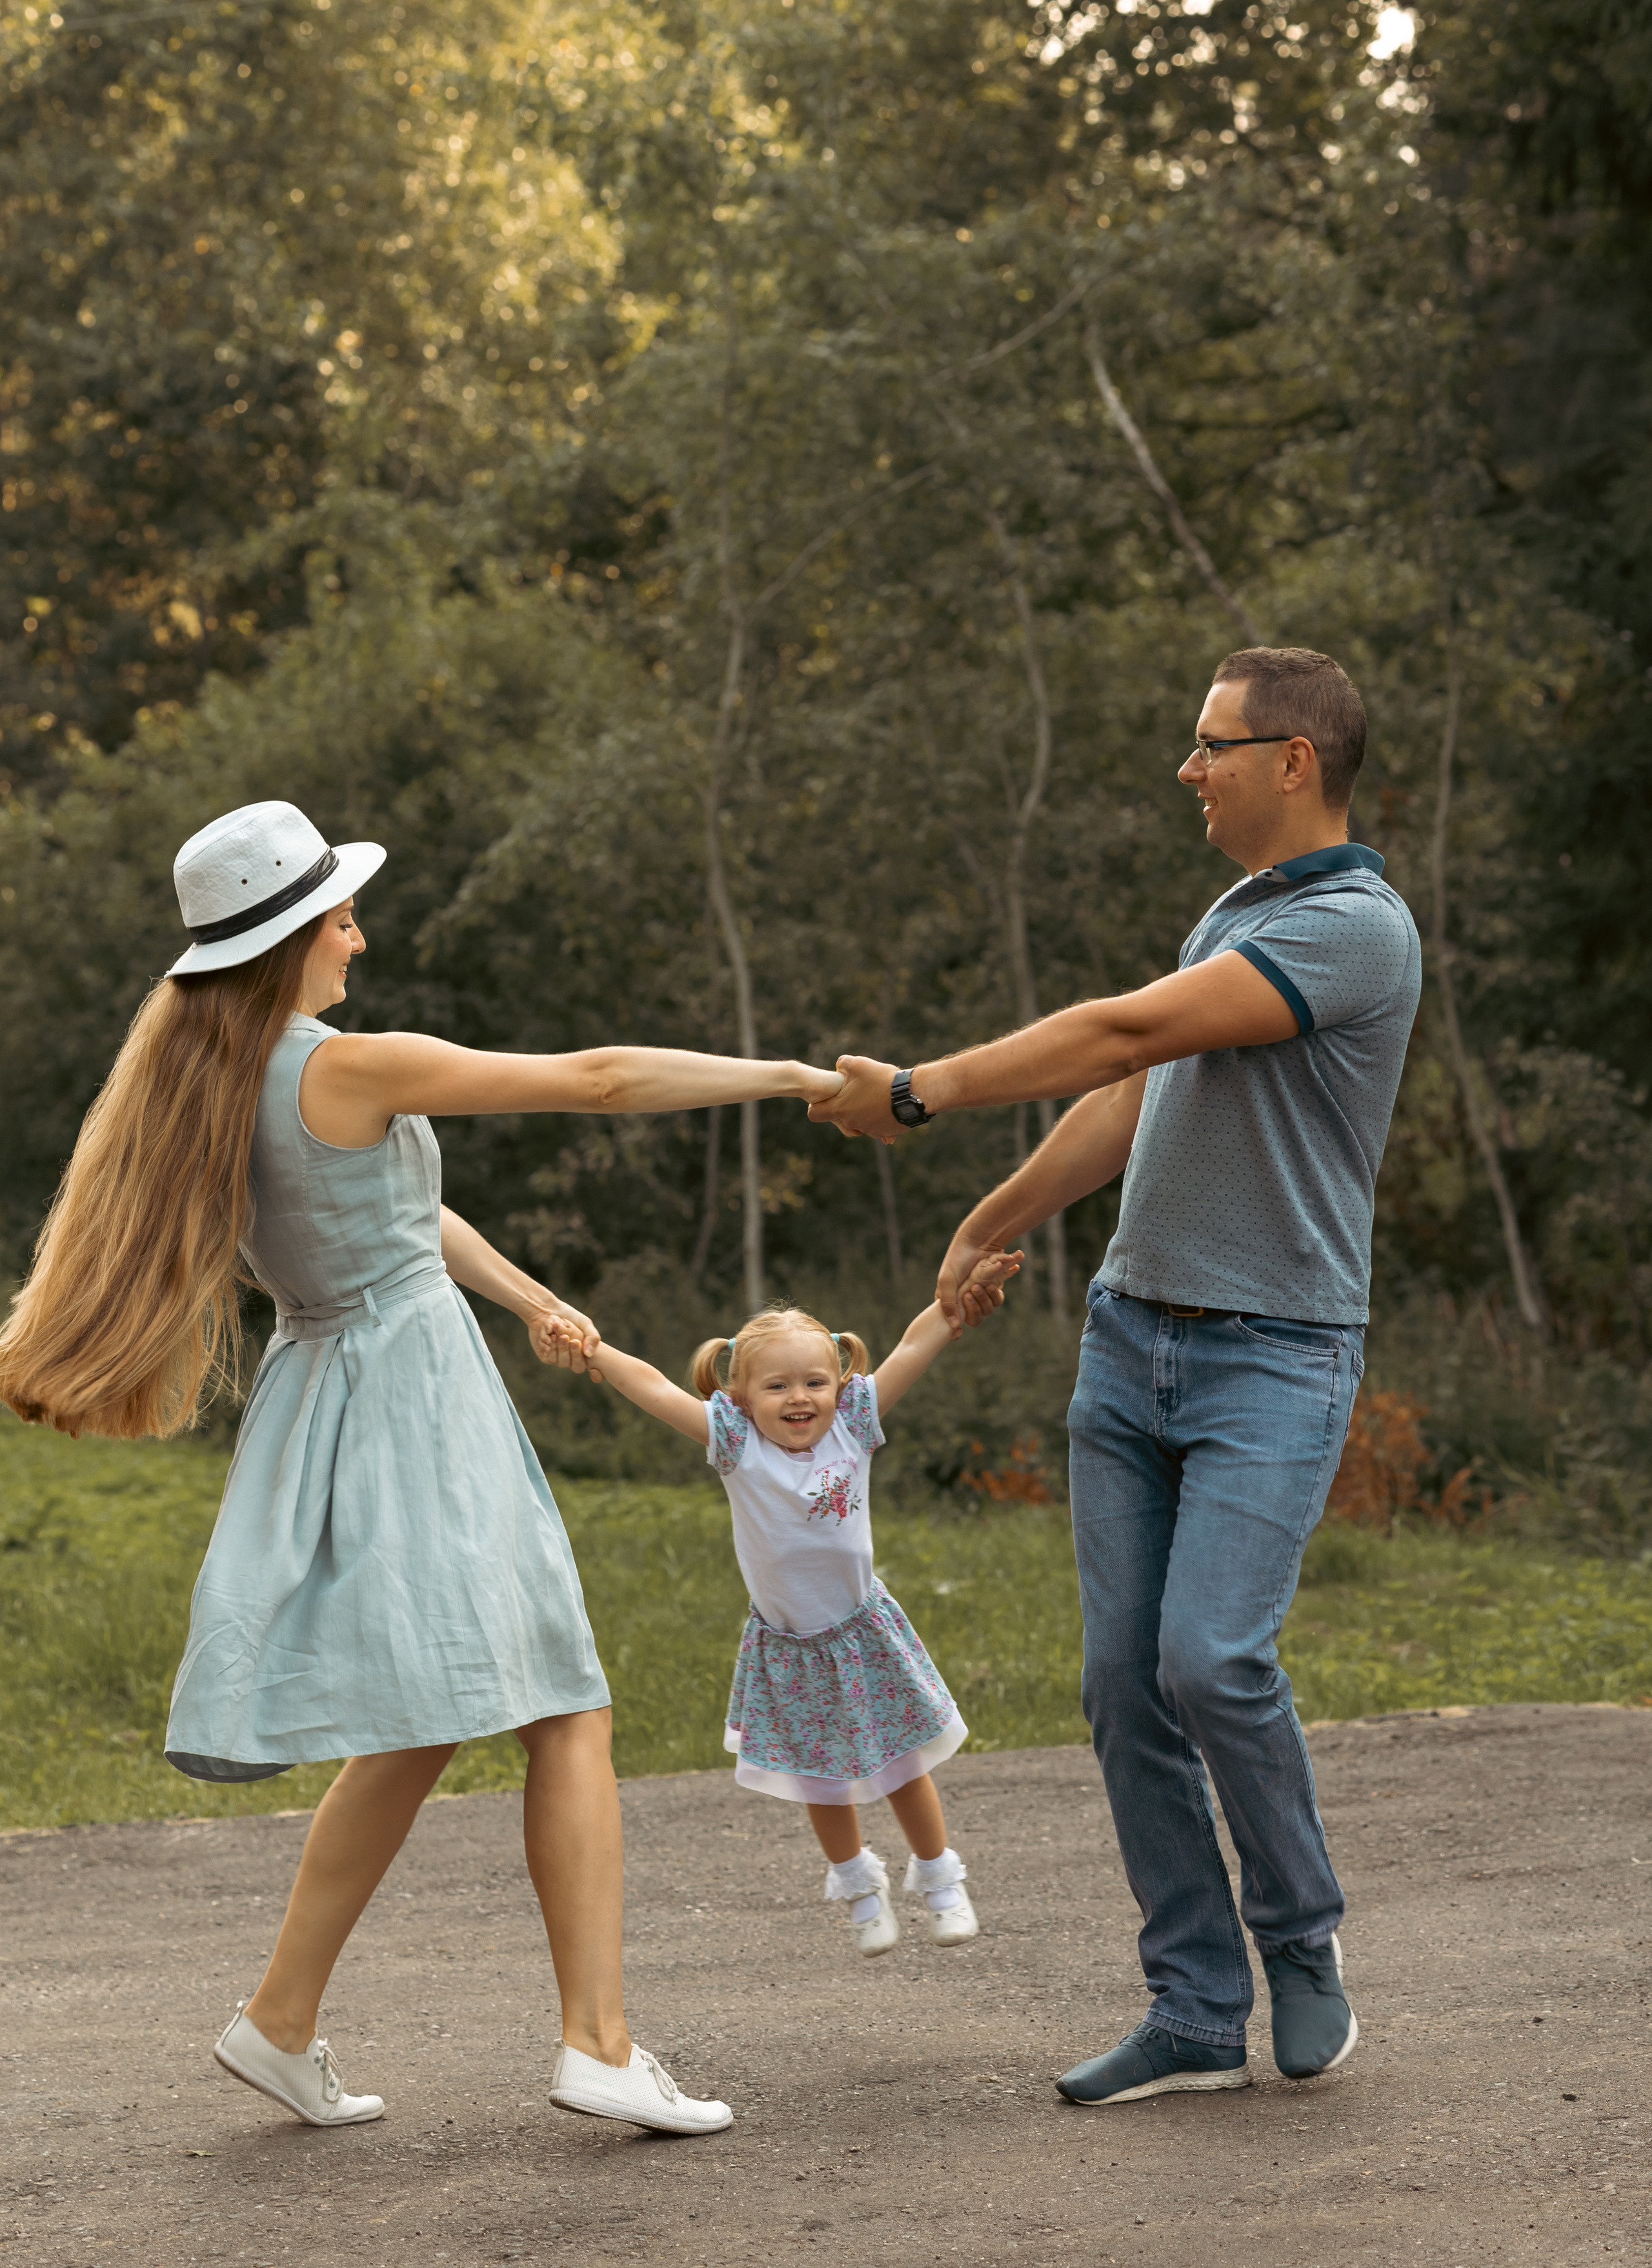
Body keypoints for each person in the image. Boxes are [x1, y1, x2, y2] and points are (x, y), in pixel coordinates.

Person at [0, 798, 845, 2138]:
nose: (358, 926)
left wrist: (521, 1293)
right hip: (411, 1401)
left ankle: (278, 2021)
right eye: (337, 910)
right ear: (289, 937)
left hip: (338, 1390)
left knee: (428, 1719)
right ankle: (599, 2043)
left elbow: (395, 1204)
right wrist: (791, 1078)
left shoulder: (229, 1073)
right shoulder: (346, 1060)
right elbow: (600, 1077)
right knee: (563, 1698)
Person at [809, 647, 1422, 2103]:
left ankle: (1300, 1935)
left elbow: (1128, 1027)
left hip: (1273, 1353)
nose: (1185, 768)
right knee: (1119, 1683)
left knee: (1209, 1657)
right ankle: (1196, 2007)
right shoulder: (1235, 912)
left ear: (1293, 760)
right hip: (1131, 1336)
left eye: (1209, 744)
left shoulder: (1355, 928)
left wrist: (917, 1090)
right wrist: (989, 1216)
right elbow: (1135, 1091)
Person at [562, 1282, 1019, 1956]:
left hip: (864, 1632)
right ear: (741, 1397)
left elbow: (914, 1346)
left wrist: (954, 1306)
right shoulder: (737, 1444)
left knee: (902, 1764)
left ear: (840, 1382)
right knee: (822, 1778)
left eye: (814, 1381)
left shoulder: (852, 1426)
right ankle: (859, 1888)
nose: (799, 1397)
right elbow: (655, 1387)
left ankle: (938, 1877)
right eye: (777, 1386)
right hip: (791, 1648)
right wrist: (594, 1350)